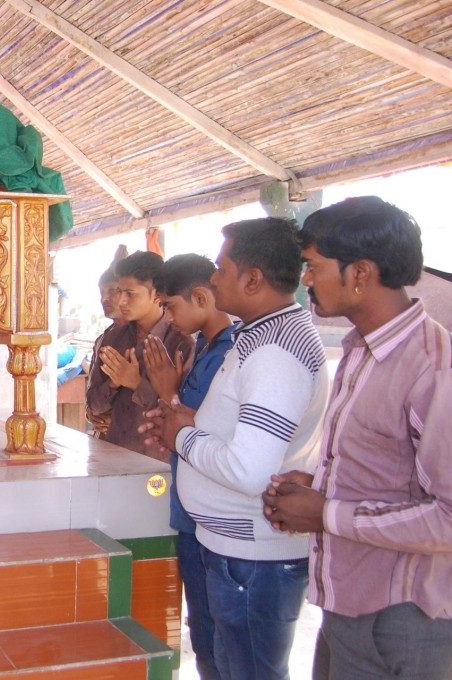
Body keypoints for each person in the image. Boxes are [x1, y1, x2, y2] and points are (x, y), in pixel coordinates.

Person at [264, 197, 452, 679]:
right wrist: (322, 484)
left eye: (314, 266)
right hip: (346, 607)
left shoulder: (432, 366)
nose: (305, 279)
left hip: (401, 621)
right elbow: (390, 473)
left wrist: (325, 512)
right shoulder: (360, 350)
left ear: (361, 273)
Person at [145, 217, 328, 680]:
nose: (213, 278)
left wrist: (181, 437)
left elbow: (249, 469)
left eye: (221, 269)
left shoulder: (275, 354)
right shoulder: (257, 338)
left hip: (252, 557)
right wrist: (188, 420)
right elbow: (241, 433)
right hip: (233, 549)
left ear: (252, 279)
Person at [145, 253, 238, 680]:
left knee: (227, 643)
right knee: (203, 634)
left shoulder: (232, 352)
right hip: (191, 512)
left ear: (201, 296)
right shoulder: (202, 346)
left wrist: (168, 395)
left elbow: (212, 431)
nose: (167, 316)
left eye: (170, 306)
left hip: (219, 521)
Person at [85, 250, 194, 460]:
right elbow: (93, 407)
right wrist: (113, 385)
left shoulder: (181, 344)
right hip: (114, 455)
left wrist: (135, 382)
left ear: (156, 295)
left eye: (130, 294)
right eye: (120, 292)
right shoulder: (112, 340)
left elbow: (185, 415)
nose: (122, 301)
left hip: (157, 461)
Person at [84, 258, 123, 436]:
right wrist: (92, 415)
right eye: (102, 291)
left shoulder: (149, 338)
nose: (104, 298)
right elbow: (92, 395)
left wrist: (119, 421)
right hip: (106, 439)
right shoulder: (103, 339)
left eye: (113, 291)